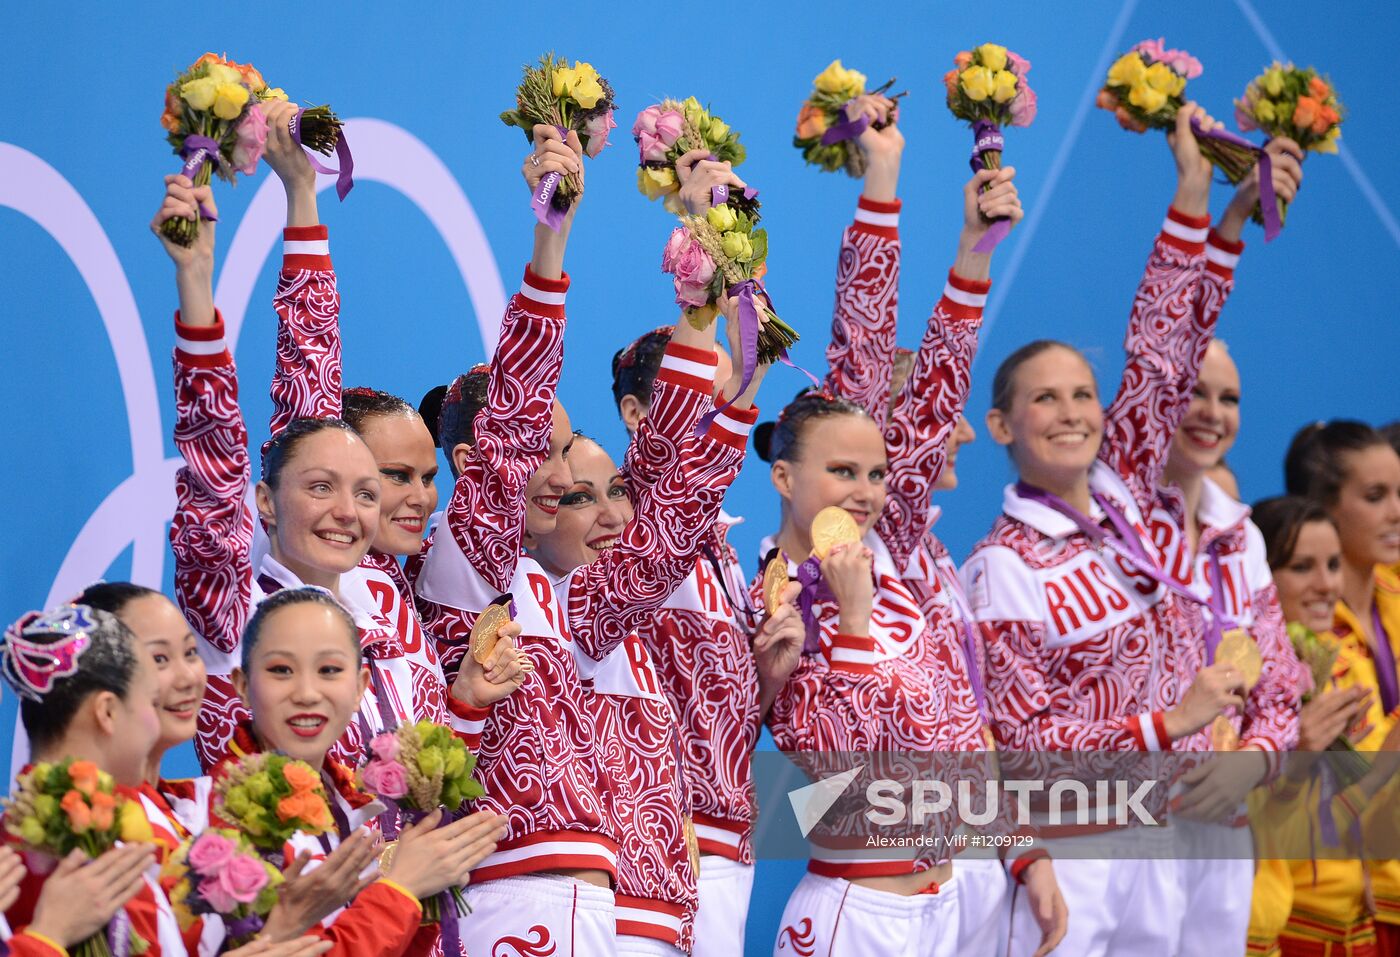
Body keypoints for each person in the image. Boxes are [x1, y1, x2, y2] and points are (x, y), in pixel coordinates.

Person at [960, 103, 1265, 956]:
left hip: (1158, 836)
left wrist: (1196, 192)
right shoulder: (1000, 564)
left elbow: (1165, 348)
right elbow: (1024, 742)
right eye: (1043, 398)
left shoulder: (1129, 498)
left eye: (1084, 394)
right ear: (1001, 426)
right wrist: (1168, 724)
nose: (1070, 412)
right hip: (1073, 850)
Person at [754, 100, 1046, 954]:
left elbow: (936, 379)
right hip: (856, 910)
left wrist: (971, 254)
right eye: (843, 472)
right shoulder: (773, 596)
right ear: (784, 476)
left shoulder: (896, 552)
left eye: (878, 472)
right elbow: (829, 767)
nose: (871, 490)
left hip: (956, 898)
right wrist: (847, 623)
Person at [151, 155, 520, 775]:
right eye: (322, 488)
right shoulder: (233, 608)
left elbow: (414, 799)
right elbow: (224, 444)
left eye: (366, 493)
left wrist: (465, 707)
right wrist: (197, 283)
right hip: (283, 873)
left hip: (409, 877)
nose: (348, 513)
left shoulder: (382, 598)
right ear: (265, 500)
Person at [413, 127, 624, 954]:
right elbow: (513, 427)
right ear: (476, 461)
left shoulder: (558, 585)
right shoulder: (461, 566)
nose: (563, 473)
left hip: (590, 900)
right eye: (544, 446)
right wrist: (551, 239)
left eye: (568, 448)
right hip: (515, 896)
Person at [604, 153, 795, 956]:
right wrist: (698, 238)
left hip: (727, 839)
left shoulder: (722, 548)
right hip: (653, 834)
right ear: (636, 412)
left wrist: (769, 674)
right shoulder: (630, 514)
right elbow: (684, 439)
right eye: (707, 400)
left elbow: (722, 708)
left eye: (734, 404)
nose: (727, 424)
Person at [1146, 135, 1305, 955]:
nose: (1212, 411)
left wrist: (1259, 761)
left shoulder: (1241, 540)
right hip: (1131, 828)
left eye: (1230, 398)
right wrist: (1224, 217)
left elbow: (1278, 683)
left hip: (1224, 824)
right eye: (1193, 392)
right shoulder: (1123, 517)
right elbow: (1165, 340)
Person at [224, 586, 509, 957]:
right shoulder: (217, 815)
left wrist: (422, 896)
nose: (307, 692)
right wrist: (401, 889)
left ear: (360, 688)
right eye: (281, 670)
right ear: (243, 686)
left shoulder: (349, 805)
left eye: (329, 670)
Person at [1244, 496, 1400, 956]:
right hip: (1290, 933)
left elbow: (1370, 832)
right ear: (1259, 578)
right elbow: (1272, 836)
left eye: (1332, 565)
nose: (1326, 585)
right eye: (1301, 567)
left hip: (1358, 929)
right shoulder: (1240, 684)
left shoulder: (1340, 667)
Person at [1286, 421, 1400, 952]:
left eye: (1399, 492)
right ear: (1324, 509)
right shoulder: (1297, 641)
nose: (1397, 511)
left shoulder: (1395, 598)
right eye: (1376, 497)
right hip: (1338, 909)